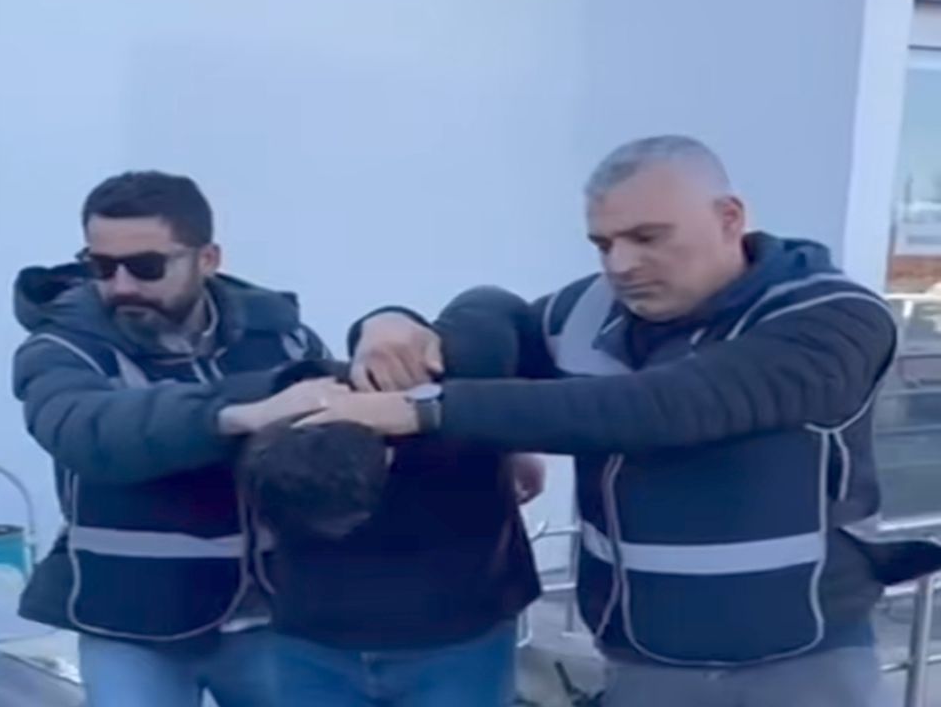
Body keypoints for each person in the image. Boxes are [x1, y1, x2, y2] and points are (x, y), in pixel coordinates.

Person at [303, 135, 941, 707]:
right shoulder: (589, 310)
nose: (620, 265)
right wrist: (392, 324)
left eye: (648, 238)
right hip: (645, 664)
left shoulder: (834, 318)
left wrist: (423, 410)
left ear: (729, 218)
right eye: (603, 244)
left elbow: (663, 408)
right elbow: (495, 318)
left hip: (802, 665)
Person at [11, 170, 343, 707]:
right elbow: (85, 430)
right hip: (129, 628)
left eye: (146, 266)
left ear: (207, 259)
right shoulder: (61, 348)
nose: (122, 286)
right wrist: (235, 415)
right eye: (101, 266)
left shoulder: (284, 340)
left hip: (272, 621)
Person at [233, 293, 545, 707]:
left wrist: (391, 318)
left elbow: (491, 304)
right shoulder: (283, 403)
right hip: (311, 645)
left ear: (388, 455)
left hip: (459, 642)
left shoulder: (448, 386)